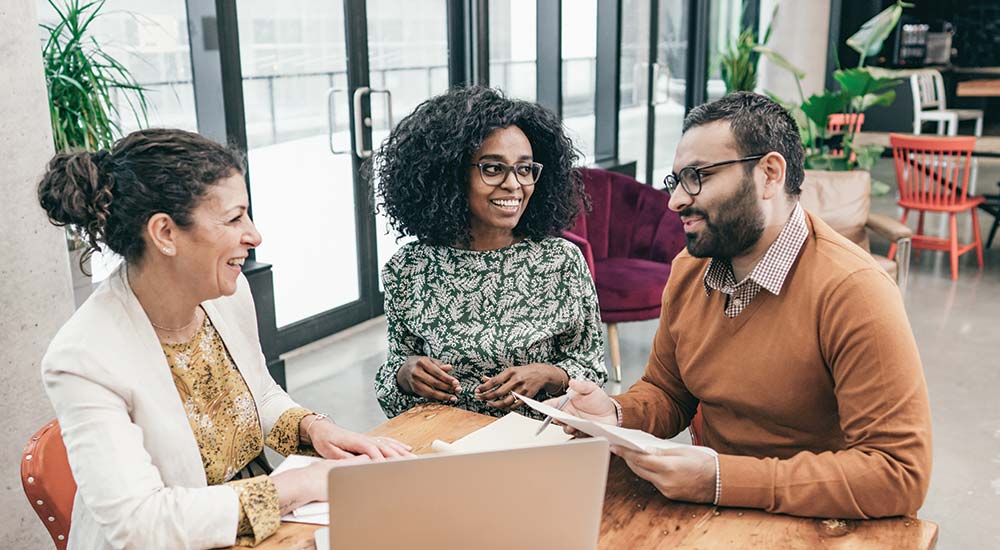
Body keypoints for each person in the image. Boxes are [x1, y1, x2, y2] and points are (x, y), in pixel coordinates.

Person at [552, 92, 932, 519]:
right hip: (716, 513)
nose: (676, 200)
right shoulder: (690, 270)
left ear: (770, 174)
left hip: (822, 522)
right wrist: (616, 413)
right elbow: (667, 390)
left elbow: (898, 473)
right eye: (675, 180)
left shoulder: (855, 291)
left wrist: (721, 479)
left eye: (697, 176)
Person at [38, 128, 412, 549]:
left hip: (259, 523)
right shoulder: (83, 358)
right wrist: (302, 484)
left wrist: (314, 429)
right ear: (164, 233)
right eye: (234, 219)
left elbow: (259, 394)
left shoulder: (224, 296)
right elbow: (140, 523)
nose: (254, 235)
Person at [370, 86, 607, 419]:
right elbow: (396, 369)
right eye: (493, 168)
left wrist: (549, 375)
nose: (514, 184)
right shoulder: (409, 268)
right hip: (444, 444)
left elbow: (592, 370)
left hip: (535, 445)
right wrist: (405, 373)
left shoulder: (561, 262)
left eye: (524, 169)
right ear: (451, 174)